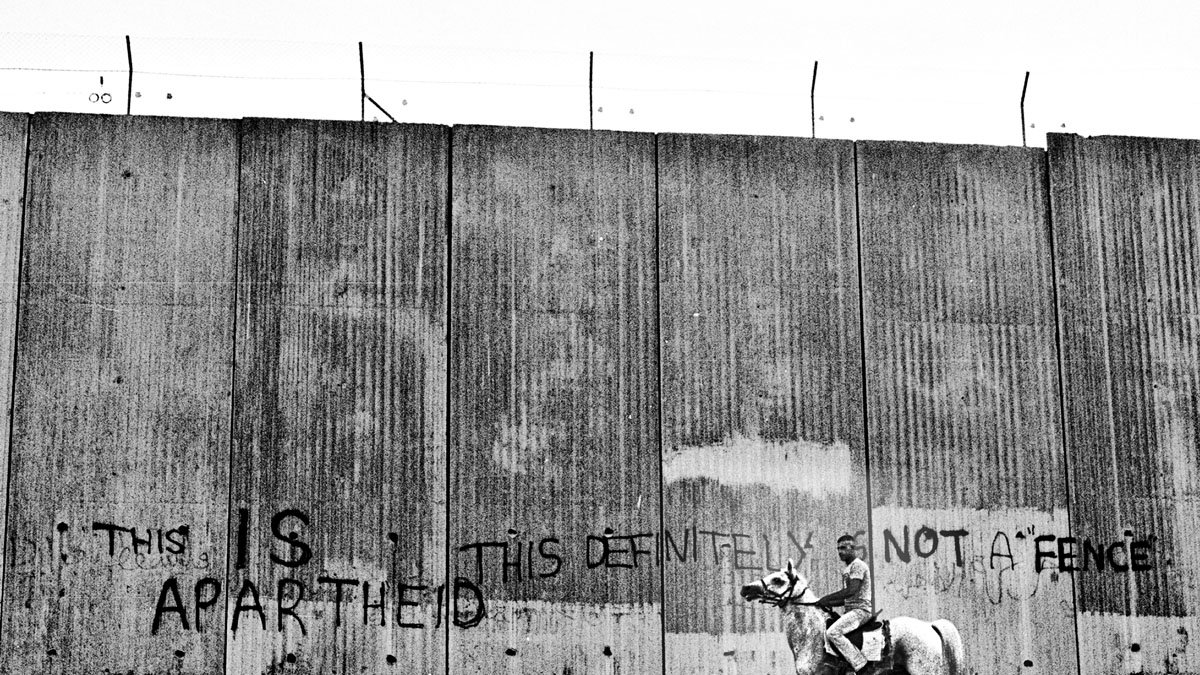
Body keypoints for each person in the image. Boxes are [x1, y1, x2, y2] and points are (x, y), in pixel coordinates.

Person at [815, 534, 873, 673]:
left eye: (843, 548)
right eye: (838, 549)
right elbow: (846, 598)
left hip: (860, 611)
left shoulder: (858, 565)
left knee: (833, 632)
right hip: (851, 611)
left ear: (852, 548)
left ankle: (861, 665)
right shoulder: (847, 569)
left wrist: (827, 598)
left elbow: (851, 591)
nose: (840, 552)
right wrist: (827, 603)